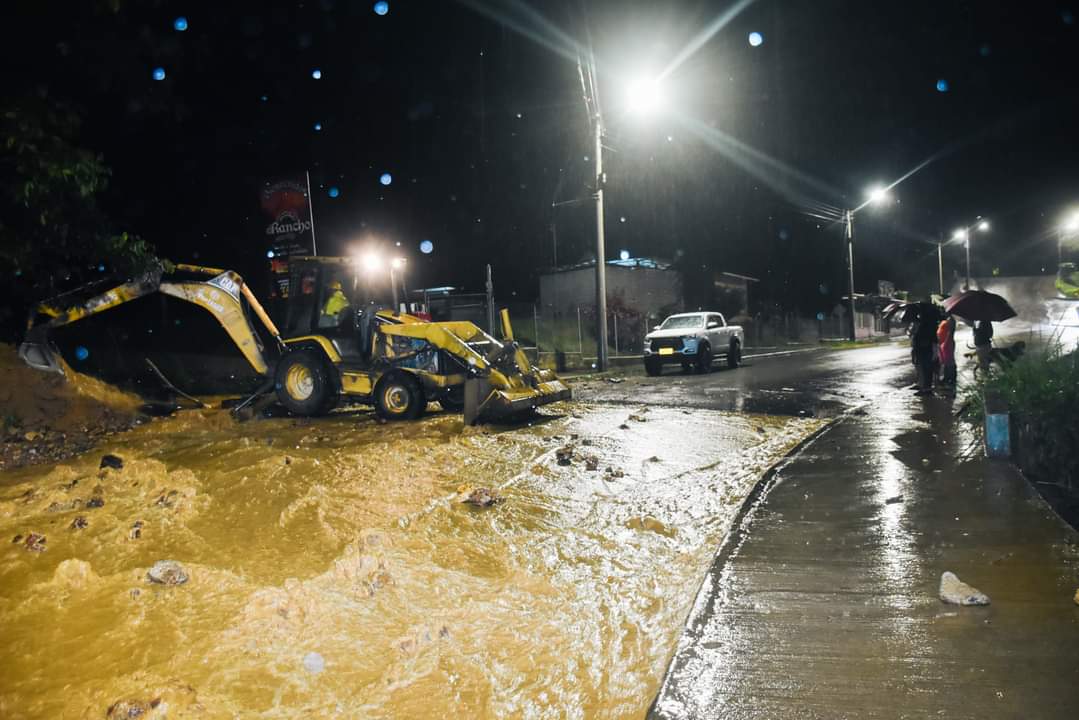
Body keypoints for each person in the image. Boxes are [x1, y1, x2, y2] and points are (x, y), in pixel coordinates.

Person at [910, 304, 938, 395]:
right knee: (925, 368)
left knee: (926, 368)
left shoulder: (928, 323)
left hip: (925, 348)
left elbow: (931, 338)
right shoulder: (929, 323)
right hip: (924, 348)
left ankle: (926, 389)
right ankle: (925, 387)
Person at [937, 313, 957, 387]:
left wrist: (946, 342)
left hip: (947, 343)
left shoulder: (951, 320)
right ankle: (946, 377)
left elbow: (950, 332)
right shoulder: (946, 319)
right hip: (943, 343)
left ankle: (951, 378)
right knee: (944, 361)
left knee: (949, 361)